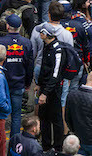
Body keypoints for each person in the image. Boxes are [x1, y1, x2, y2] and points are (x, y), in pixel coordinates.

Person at [0, 14, 33, 136]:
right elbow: (30, 66)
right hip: (18, 84)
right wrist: (28, 83)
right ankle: (14, 144)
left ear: (7, 26)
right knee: (16, 116)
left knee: (0, 115)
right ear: (20, 26)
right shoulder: (26, 43)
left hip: (1, 85)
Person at [38, 23, 66, 152]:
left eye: (41, 32)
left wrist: (45, 93)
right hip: (45, 87)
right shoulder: (47, 46)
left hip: (53, 90)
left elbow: (55, 74)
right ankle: (46, 145)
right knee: (44, 118)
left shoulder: (57, 50)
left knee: (56, 119)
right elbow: (44, 69)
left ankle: (58, 147)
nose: (39, 35)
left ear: (45, 34)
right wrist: (39, 85)